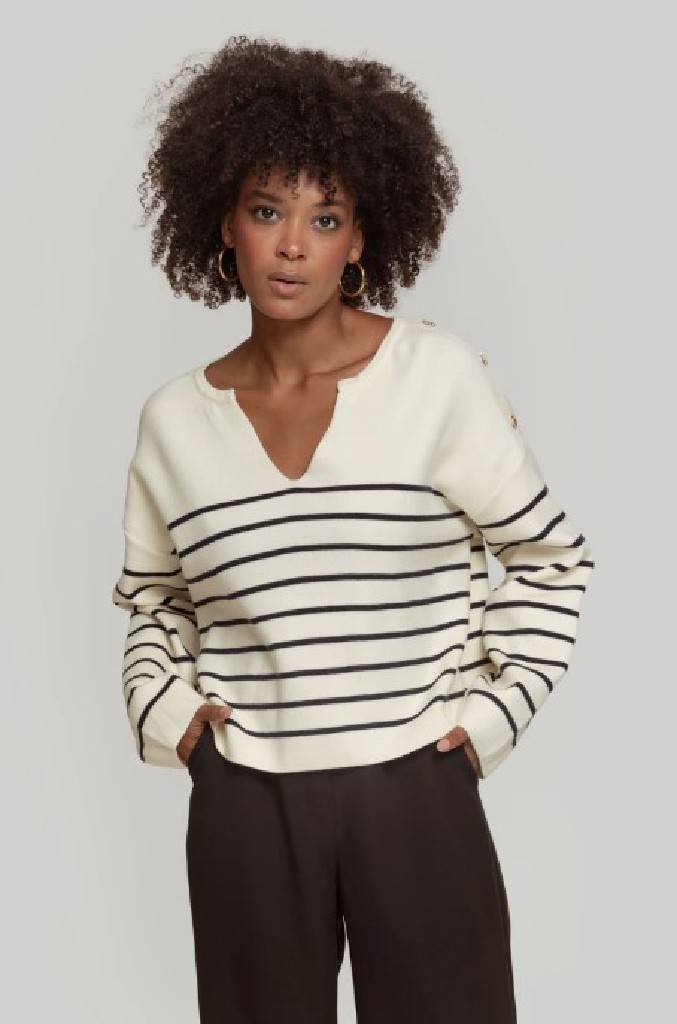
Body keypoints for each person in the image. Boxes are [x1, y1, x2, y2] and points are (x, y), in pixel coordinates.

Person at [111, 34, 595, 1024]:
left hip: (414, 784)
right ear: (225, 224)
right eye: (266, 211)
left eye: (324, 218)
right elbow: (155, 599)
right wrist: (173, 715)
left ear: (361, 238)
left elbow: (550, 558)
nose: (292, 245)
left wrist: (488, 716)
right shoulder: (174, 421)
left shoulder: (436, 378)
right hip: (247, 798)